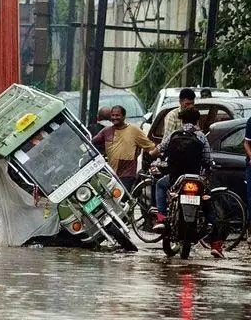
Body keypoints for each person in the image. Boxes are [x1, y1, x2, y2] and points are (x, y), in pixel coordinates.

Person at [148, 107, 222, 257]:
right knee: (207, 206)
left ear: (182, 120)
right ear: (197, 121)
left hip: (176, 179)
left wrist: (152, 154)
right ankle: (216, 245)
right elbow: (208, 159)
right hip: (196, 179)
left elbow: (161, 149)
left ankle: (161, 217)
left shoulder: (174, 135)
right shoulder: (201, 136)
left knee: (160, 185)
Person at [92, 105, 156, 190]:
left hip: (127, 174)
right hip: (111, 175)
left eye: (117, 115)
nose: (115, 118)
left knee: (121, 199)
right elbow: (91, 142)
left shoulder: (134, 130)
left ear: (124, 116)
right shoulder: (106, 131)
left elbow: (151, 147)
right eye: (113, 115)